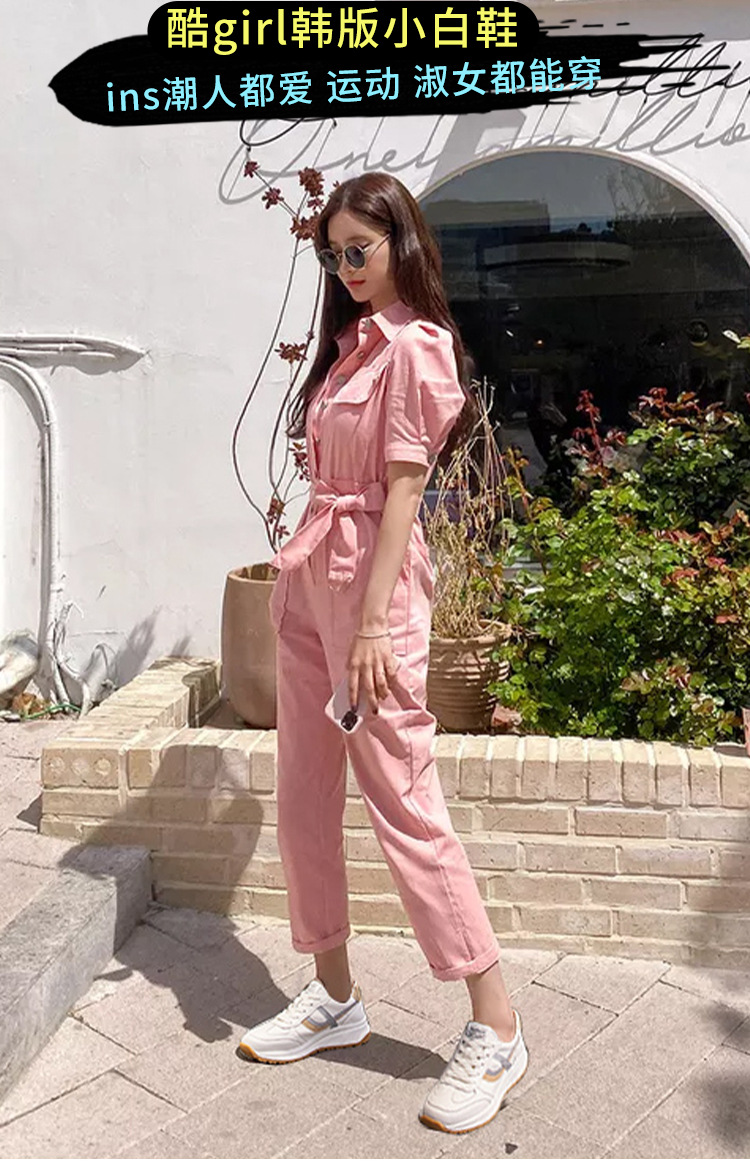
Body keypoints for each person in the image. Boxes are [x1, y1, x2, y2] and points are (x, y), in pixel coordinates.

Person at [239, 172, 529, 1134]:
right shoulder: (348, 348)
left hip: (375, 590)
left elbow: (405, 490)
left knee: (404, 803)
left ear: (402, 243)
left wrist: (370, 623)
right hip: (310, 580)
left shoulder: (418, 346)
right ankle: (334, 997)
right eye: (333, 256)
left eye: (358, 250)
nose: (346, 269)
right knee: (302, 796)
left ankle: (497, 1024)